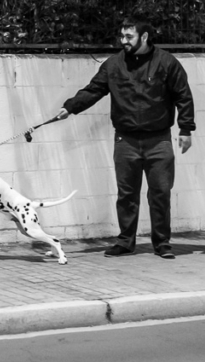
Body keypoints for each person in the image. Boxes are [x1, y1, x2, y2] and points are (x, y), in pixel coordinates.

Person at [55, 19, 195, 259]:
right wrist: (70, 107)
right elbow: (94, 90)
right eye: (122, 36)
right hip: (125, 140)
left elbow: (183, 95)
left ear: (144, 37)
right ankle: (125, 242)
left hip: (159, 140)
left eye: (129, 37)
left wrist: (185, 130)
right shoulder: (114, 65)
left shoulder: (166, 63)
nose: (124, 41)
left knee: (160, 193)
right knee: (126, 194)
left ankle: (162, 243)